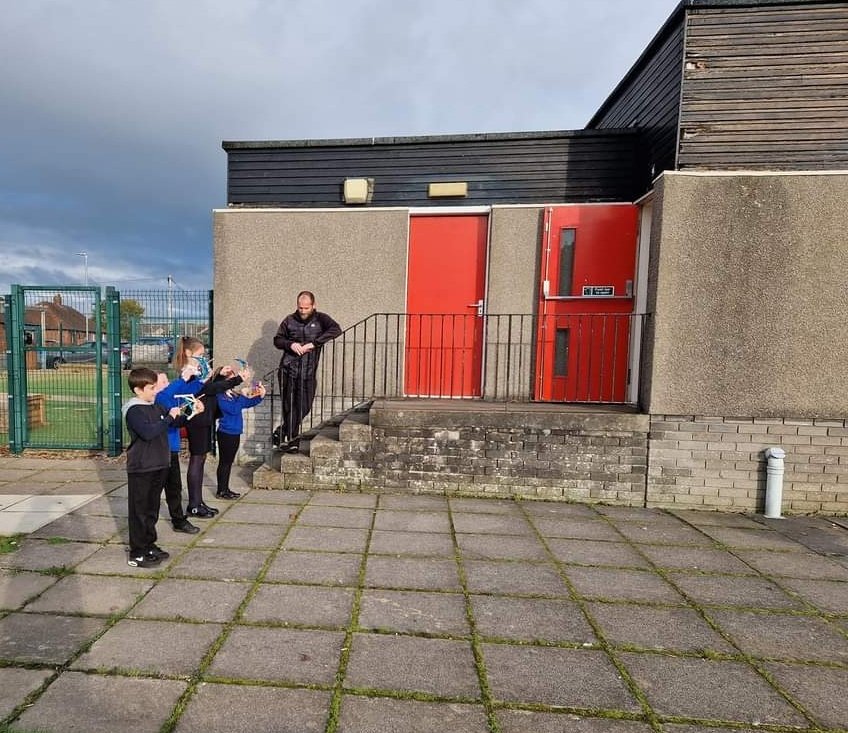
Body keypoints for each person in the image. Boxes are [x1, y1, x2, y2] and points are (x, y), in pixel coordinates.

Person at [122, 367, 200, 568]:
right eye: (152, 388)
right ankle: (137, 553)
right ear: (138, 390)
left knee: (151, 510)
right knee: (139, 511)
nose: (156, 391)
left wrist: (192, 411)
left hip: (159, 464)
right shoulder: (134, 410)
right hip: (142, 467)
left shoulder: (155, 406)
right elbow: (149, 432)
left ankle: (149, 544)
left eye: (156, 387)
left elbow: (176, 421)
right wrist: (169, 418)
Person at [173, 339, 248, 518]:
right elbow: (211, 389)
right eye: (200, 355)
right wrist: (236, 380)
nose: (203, 358)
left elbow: (208, 387)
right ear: (189, 354)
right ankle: (194, 504)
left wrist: (220, 373)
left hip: (205, 418)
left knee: (201, 459)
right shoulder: (189, 373)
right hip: (197, 420)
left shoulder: (197, 372)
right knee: (197, 460)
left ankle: (198, 502)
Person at [273, 291, 341, 452]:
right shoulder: (289, 320)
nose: (303, 311)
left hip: (308, 372)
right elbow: (277, 340)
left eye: (306, 308)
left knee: (304, 407)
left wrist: (314, 343)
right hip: (288, 370)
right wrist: (290, 344)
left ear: (313, 306)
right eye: (300, 307)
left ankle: (282, 431)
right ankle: (293, 442)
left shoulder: (321, 319)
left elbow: (336, 330)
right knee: (289, 407)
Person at [153, 364, 203, 534]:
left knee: (174, 488)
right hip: (159, 452)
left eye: (168, 380)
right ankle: (146, 525)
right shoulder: (160, 399)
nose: (168, 384)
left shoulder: (169, 396)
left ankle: (179, 520)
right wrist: (182, 378)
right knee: (154, 491)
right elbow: (172, 416)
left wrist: (200, 378)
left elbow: (180, 418)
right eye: (163, 381)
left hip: (172, 450)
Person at [215, 379, 266, 498]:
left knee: (228, 463)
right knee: (224, 462)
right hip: (226, 433)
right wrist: (243, 395)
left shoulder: (232, 395)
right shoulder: (220, 396)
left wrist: (260, 396)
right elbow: (234, 409)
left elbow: (246, 403)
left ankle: (225, 489)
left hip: (235, 432)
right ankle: (221, 490)